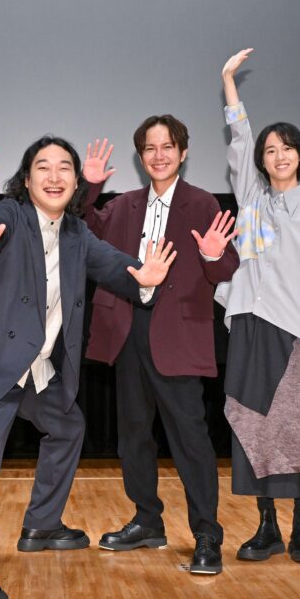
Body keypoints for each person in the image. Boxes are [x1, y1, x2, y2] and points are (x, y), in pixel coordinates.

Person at [0, 136, 176, 599]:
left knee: (67, 426)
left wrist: (142, 277)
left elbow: (113, 264)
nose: (54, 176)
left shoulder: (76, 233)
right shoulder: (9, 214)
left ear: (76, 181)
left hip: (36, 366)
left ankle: (42, 525)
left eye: (65, 167)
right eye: (42, 167)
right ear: (26, 180)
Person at [81, 117, 238, 574]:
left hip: (178, 334)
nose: (159, 155)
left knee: (191, 439)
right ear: (140, 156)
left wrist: (212, 253)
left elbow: (223, 268)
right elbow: (82, 230)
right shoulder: (123, 205)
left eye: (168, 146)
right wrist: (89, 188)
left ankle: (207, 533)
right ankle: (147, 521)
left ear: (183, 153)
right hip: (128, 331)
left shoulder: (202, 203)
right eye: (150, 148)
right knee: (134, 436)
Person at [217, 48, 300, 565]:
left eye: (288, 148)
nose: (279, 156)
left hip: (295, 331)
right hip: (250, 325)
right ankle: (266, 526)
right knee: (254, 425)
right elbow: (239, 137)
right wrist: (229, 82)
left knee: (298, 427)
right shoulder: (251, 201)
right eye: (271, 150)